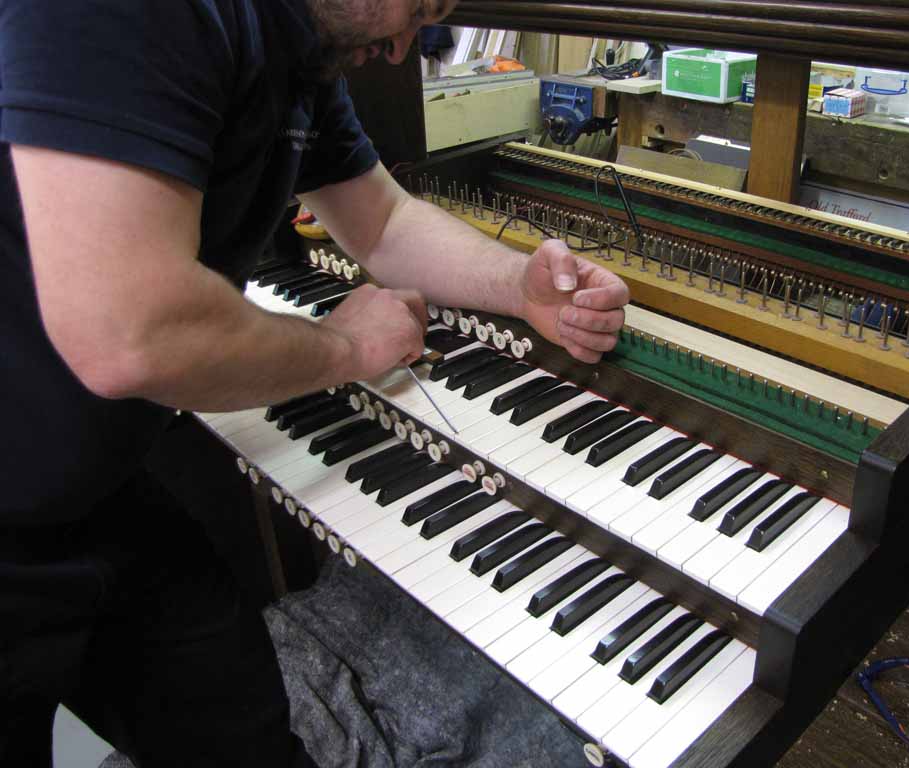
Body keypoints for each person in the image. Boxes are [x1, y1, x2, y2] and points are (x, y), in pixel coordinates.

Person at [0, 1, 630, 766]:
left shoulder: (302, 49)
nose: (403, 48)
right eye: (417, 8)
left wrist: (518, 288)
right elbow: (130, 336)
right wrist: (345, 348)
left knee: (238, 728)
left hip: (99, 487)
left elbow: (382, 223)